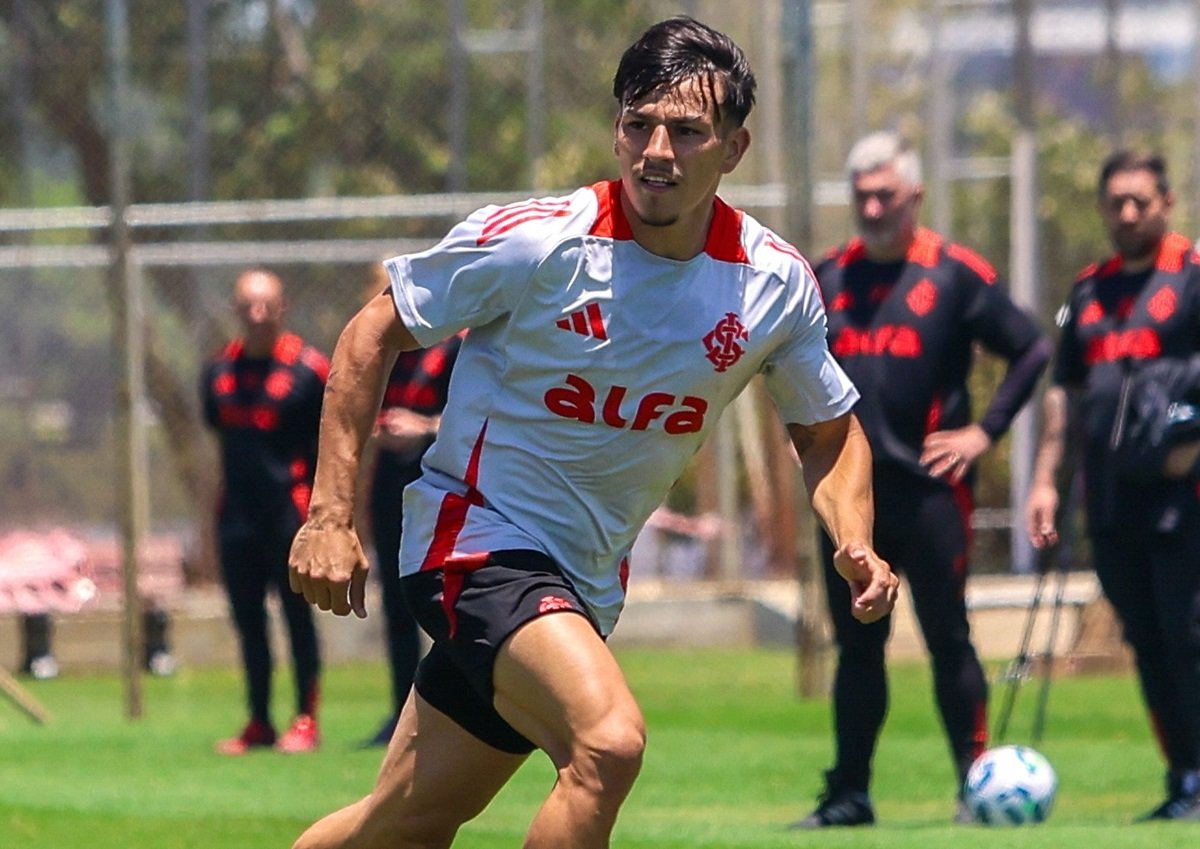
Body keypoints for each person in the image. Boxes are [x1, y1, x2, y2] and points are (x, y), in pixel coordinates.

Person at [287, 16, 899, 849]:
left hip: (580, 582)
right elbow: (372, 332)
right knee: (607, 742)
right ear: (615, 129)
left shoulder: (772, 286)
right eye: (639, 124)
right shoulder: (540, 241)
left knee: (404, 822)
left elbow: (827, 432)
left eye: (687, 131)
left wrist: (854, 537)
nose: (657, 152)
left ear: (735, 148)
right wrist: (329, 515)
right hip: (473, 540)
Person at [794, 131, 1051, 828]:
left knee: (948, 637)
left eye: (886, 194)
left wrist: (983, 432)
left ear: (915, 195)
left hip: (932, 495)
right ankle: (849, 794)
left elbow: (1031, 349)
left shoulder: (955, 274)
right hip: (849, 499)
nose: (873, 207)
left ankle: (976, 785)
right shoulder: (825, 277)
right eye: (862, 195)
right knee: (857, 646)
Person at [1026, 150, 1200, 822]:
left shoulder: (1190, 275)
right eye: (1115, 202)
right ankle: (1184, 778)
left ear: (1167, 204)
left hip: (1183, 498)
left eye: (1140, 202)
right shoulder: (1089, 291)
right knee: (1150, 642)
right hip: (1110, 500)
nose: (1127, 214)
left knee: (1189, 637)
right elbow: (1066, 393)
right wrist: (1046, 480)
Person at [202, 267, 329, 755]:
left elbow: (333, 442)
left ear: (282, 308)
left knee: (297, 616)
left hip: (289, 514)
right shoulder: (218, 372)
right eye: (248, 306)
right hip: (236, 516)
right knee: (248, 621)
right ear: (235, 311)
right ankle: (259, 720)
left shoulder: (309, 370)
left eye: (266, 306)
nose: (257, 316)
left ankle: (306, 719)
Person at [357, 266, 463, 748]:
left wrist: (422, 427)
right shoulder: (385, 354)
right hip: (389, 487)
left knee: (447, 602)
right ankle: (402, 711)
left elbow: (478, 418)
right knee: (397, 604)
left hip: (441, 488)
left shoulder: (456, 347)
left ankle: (456, 715)